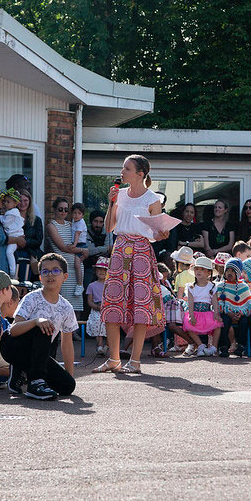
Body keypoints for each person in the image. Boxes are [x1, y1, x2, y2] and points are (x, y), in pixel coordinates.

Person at [94, 154, 167, 374]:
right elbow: (108, 227)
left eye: (126, 169)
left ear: (140, 174)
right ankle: (114, 359)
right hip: (120, 249)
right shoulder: (120, 195)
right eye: (122, 168)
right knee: (113, 302)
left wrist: (162, 234)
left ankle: (135, 361)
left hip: (142, 251)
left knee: (141, 304)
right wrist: (112, 202)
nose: (122, 172)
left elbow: (158, 231)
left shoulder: (153, 199)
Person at [3, 253, 78, 399]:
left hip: (39, 356)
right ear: (40, 277)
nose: (50, 275)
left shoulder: (66, 307)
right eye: (45, 271)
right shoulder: (31, 298)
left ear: (65, 276)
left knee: (68, 386)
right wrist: (36, 321)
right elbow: (13, 330)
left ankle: (24, 372)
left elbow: (67, 344)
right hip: (11, 346)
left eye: (56, 270)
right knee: (43, 326)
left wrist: (69, 374)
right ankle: (35, 383)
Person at [44, 197, 84, 311]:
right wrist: (82, 251)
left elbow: (80, 241)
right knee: (64, 305)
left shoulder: (71, 225)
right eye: (60, 209)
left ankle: (76, 329)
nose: (63, 212)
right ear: (55, 210)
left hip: (77, 268)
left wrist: (83, 250)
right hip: (63, 268)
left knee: (77, 306)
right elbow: (63, 247)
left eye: (66, 210)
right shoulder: (51, 226)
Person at [217, 258, 251, 358]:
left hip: (240, 313)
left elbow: (250, 304)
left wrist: (242, 313)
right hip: (226, 313)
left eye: (233, 271)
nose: (229, 273)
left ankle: (241, 346)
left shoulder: (243, 286)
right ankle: (223, 347)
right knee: (224, 321)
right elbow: (218, 303)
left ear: (238, 273)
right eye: (228, 270)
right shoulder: (220, 286)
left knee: (244, 321)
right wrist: (229, 312)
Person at [180, 256, 221, 357]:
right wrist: (191, 315)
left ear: (208, 273)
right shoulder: (191, 287)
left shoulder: (212, 287)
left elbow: (215, 302)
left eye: (202, 269)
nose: (199, 271)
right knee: (188, 324)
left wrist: (216, 313)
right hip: (195, 312)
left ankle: (213, 348)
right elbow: (190, 303)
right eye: (197, 269)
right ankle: (200, 345)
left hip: (207, 312)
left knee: (218, 324)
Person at [16, 190, 43, 280]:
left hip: (32, 255)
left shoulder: (36, 220)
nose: (22, 203)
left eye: (25, 200)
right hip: (15, 253)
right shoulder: (10, 218)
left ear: (30, 202)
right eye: (20, 200)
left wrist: (24, 242)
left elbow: (38, 240)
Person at [0, 188, 25, 278]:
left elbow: (5, 223)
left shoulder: (12, 213)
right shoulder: (10, 212)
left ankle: (13, 272)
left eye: (8, 202)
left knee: (9, 252)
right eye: (5, 201)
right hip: (13, 236)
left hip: (15, 236)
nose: (5, 204)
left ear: (15, 203)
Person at [82, 209, 112, 286]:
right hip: (89, 266)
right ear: (91, 221)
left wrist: (97, 250)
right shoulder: (86, 232)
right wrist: (104, 248)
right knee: (87, 286)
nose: (98, 225)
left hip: (104, 267)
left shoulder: (108, 232)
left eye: (101, 222)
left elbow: (110, 249)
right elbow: (89, 251)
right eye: (95, 221)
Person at [85, 257, 108, 356]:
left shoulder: (110, 285)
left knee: (110, 325)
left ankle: (107, 346)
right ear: (95, 271)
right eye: (99, 269)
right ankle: (99, 346)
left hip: (108, 310)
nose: (101, 272)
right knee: (97, 321)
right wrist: (97, 307)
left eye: (104, 270)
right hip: (96, 309)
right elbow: (89, 301)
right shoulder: (91, 285)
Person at [70, 202, 89, 296]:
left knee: (77, 265)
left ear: (82, 215)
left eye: (79, 213)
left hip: (81, 245)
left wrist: (74, 244)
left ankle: (80, 285)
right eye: (74, 213)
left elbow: (77, 234)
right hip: (78, 244)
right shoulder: (75, 222)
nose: (76, 215)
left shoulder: (81, 223)